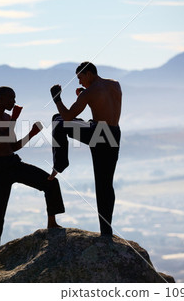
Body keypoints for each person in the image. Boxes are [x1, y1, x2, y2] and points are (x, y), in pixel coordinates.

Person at [0, 86, 65, 267]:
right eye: (11, 98)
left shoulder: (6, 118)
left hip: (13, 162)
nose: (14, 102)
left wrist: (31, 134)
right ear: (1, 98)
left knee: (50, 182)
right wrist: (14, 120)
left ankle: (52, 222)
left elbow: (13, 147)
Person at [49, 62, 122, 237]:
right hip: (114, 133)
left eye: (80, 78)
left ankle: (60, 164)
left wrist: (57, 98)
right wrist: (84, 96)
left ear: (88, 74)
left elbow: (68, 116)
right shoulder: (115, 85)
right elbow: (104, 105)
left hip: (99, 133)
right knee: (105, 184)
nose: (80, 83)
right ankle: (106, 231)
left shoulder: (90, 92)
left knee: (59, 121)